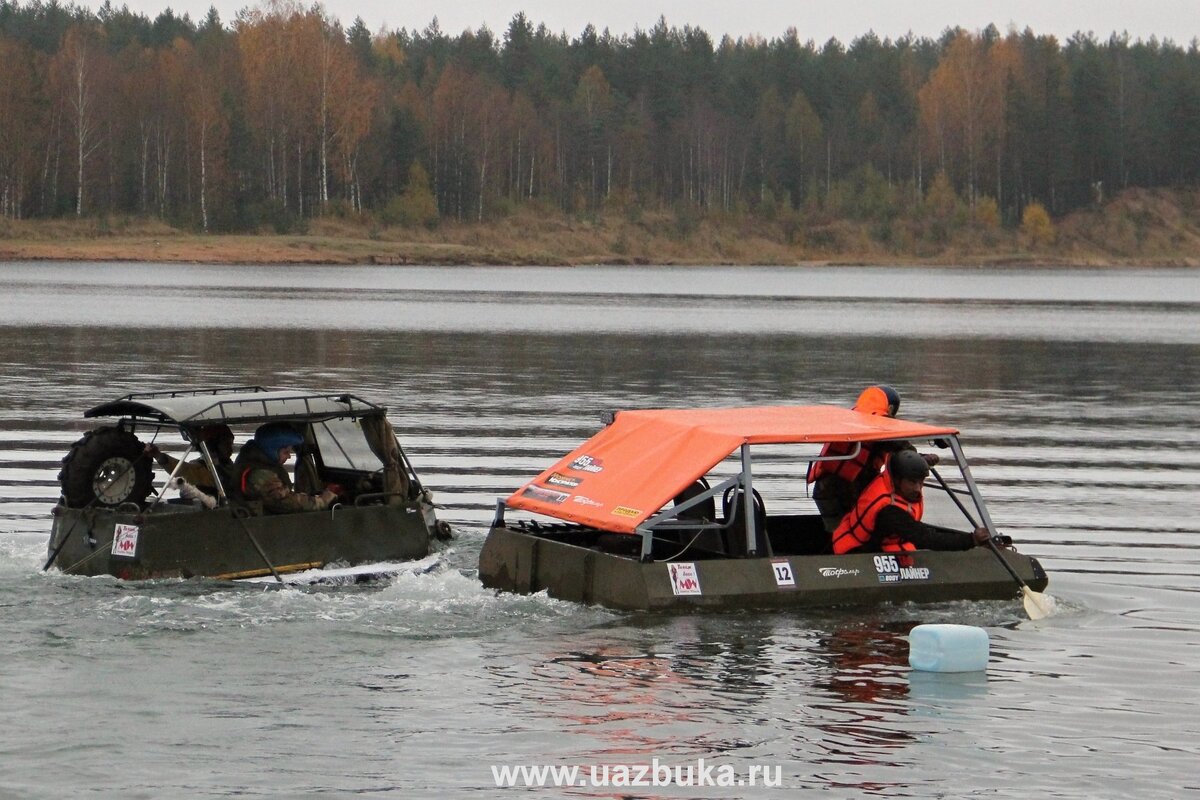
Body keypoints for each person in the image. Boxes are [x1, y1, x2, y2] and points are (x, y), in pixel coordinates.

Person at [807, 385, 939, 532]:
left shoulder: (851, 417)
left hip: (823, 489)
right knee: (858, 531)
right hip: (846, 491)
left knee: (836, 530)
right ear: (889, 408)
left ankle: (836, 549)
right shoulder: (881, 424)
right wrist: (924, 460)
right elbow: (907, 453)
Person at [831, 450, 990, 554]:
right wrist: (971, 540)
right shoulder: (889, 511)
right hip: (858, 555)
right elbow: (924, 537)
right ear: (898, 480)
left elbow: (897, 459)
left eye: (920, 482)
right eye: (912, 482)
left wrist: (921, 460)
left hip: (878, 546)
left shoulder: (889, 481)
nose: (918, 488)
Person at [233, 422, 339, 514]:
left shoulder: (259, 462)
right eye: (286, 452)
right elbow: (284, 502)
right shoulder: (260, 473)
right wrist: (322, 501)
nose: (289, 456)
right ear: (272, 450)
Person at [145, 424, 236, 498]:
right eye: (226, 444)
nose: (230, 449)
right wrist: (158, 456)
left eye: (231, 444)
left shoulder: (228, 465)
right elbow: (183, 470)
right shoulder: (200, 467)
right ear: (213, 445)